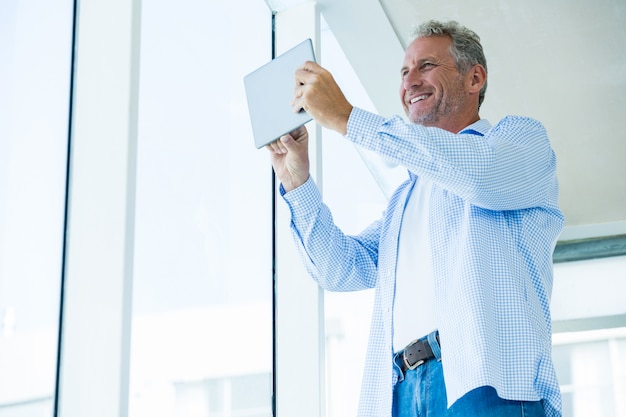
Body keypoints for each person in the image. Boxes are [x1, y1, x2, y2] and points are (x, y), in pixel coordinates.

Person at [267, 20, 564, 417]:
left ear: (474, 78)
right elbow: (340, 269)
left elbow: (479, 175)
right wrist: (297, 182)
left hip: (486, 385)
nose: (410, 81)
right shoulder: (404, 200)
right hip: (400, 394)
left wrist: (347, 118)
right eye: (404, 72)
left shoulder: (518, 141)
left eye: (426, 66)